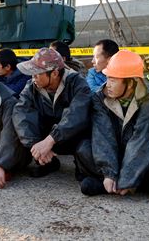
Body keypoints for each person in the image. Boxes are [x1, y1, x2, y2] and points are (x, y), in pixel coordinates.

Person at [76, 50, 149, 198]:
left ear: (130, 83)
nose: (108, 84)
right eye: (108, 78)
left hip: (141, 152)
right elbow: (103, 135)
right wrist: (109, 173)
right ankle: (141, 183)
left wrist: (126, 179)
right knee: (83, 147)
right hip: (114, 151)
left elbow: (142, 139)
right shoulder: (100, 97)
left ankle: (111, 185)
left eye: (113, 80)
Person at [13, 47, 92, 178]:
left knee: (83, 143)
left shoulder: (78, 84)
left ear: (54, 73)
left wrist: (50, 140)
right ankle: (46, 161)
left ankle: (82, 164)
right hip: (47, 135)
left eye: (37, 74)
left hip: (71, 136)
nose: (33, 78)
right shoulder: (32, 85)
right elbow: (20, 111)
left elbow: (76, 116)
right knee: (23, 123)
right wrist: (35, 145)